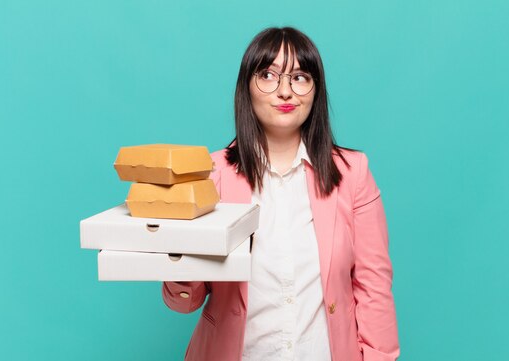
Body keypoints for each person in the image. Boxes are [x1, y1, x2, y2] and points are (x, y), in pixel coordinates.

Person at [162, 26, 399, 361]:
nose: (285, 91)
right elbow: (183, 302)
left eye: (300, 77)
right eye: (268, 75)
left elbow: (374, 287)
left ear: (316, 90)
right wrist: (176, 258)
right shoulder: (210, 175)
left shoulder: (353, 173)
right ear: (247, 87)